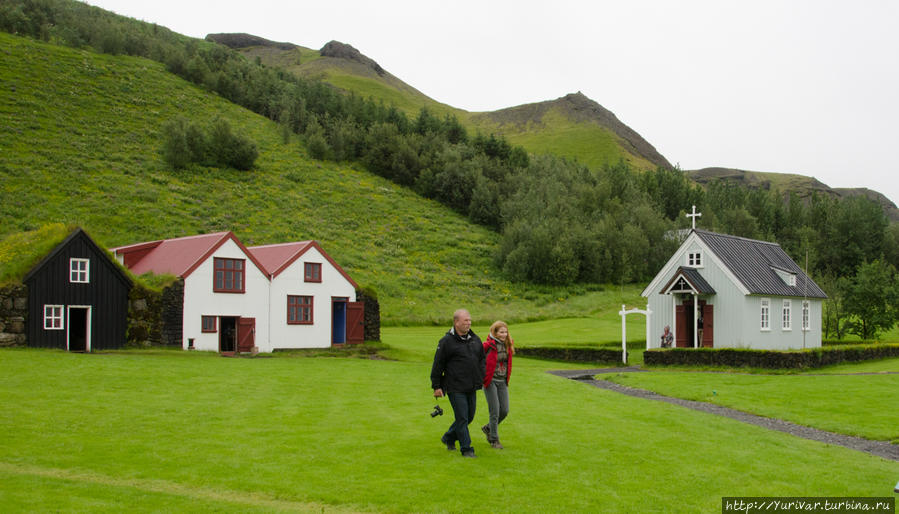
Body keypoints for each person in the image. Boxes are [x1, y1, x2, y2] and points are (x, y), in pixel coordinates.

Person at [430, 309, 485, 458]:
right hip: (454, 386)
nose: (469, 323)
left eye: (470, 320)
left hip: (471, 385)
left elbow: (481, 360)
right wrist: (436, 386)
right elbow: (438, 364)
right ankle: (466, 448)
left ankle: (448, 437)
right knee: (462, 417)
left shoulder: (475, 339)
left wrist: (482, 375)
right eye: (465, 320)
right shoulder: (446, 342)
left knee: (470, 416)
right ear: (456, 322)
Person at [480, 320, 513, 449]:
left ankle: (488, 428)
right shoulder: (487, 345)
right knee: (494, 411)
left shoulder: (508, 344)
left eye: (505, 332)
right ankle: (494, 440)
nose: (504, 334)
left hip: (502, 381)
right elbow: (478, 360)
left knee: (504, 410)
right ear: (495, 332)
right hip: (490, 381)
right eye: (501, 332)